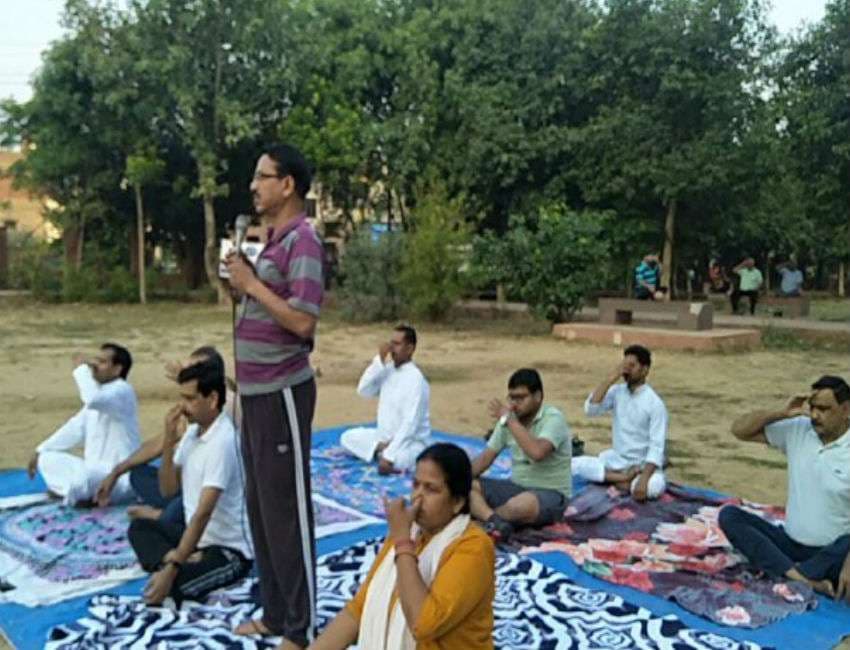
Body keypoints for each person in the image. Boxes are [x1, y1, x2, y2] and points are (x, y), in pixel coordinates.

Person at [225, 143, 324, 648]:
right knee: (262, 508)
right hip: (256, 393)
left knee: (287, 510)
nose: (253, 185)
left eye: (262, 177)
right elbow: (268, 309)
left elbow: (303, 321)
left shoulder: (303, 240)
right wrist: (240, 286)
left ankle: (301, 628)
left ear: (287, 184)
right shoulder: (272, 241)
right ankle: (274, 611)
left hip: (283, 392)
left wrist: (253, 286)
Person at [309, 443, 495, 650]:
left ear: (457, 502)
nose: (417, 496)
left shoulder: (473, 548)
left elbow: (423, 624)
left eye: (431, 489)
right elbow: (359, 609)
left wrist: (403, 544)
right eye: (416, 485)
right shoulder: (408, 531)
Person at [128, 359, 253, 606]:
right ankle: (183, 558)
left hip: (228, 550)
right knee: (139, 528)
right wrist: (168, 442)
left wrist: (173, 566)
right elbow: (168, 489)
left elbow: (203, 513)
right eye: (182, 398)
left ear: (213, 399)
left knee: (172, 587)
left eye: (190, 399)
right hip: (195, 540)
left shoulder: (223, 442)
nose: (183, 407)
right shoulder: (193, 434)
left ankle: (178, 563)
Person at [719, 376, 850, 600]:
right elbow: (740, 430)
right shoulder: (799, 430)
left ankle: (788, 573)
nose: (815, 415)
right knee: (730, 515)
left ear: (846, 409)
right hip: (789, 542)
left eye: (824, 409)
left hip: (831, 552)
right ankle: (804, 580)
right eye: (813, 408)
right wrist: (782, 413)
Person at [95, 346, 233, 529]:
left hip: (213, 492)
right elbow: (161, 446)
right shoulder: (193, 413)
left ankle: (163, 515)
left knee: (181, 513)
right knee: (138, 475)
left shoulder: (227, 405)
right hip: (185, 486)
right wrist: (117, 471)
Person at [27, 344, 140, 507]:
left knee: (84, 478)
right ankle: (78, 494)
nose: (94, 366)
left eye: (101, 362)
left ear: (117, 369)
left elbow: (93, 399)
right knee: (46, 458)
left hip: (118, 478)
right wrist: (40, 449)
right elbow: (75, 428)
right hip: (93, 471)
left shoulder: (122, 392)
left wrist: (81, 371)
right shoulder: (100, 396)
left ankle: (76, 493)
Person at [468, 369, 571, 542]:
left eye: (521, 398)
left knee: (519, 506)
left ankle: (483, 523)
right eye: (512, 398)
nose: (515, 404)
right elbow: (485, 459)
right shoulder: (510, 421)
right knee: (467, 487)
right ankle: (495, 522)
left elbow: (537, 453)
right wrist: (454, 478)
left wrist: (510, 421)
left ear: (538, 396)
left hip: (551, 494)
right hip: (516, 487)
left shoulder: (553, 419)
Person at [572, 345, 668, 501]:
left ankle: (620, 480)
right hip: (616, 461)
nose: (626, 370)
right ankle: (621, 480)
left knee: (651, 488)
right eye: (624, 365)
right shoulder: (618, 392)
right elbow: (591, 409)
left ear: (645, 370)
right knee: (573, 466)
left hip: (641, 466)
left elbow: (657, 447)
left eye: (632, 366)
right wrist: (611, 378)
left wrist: (643, 480)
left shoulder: (654, 404)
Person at [340, 325, 431, 474]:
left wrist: (390, 455)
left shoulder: (416, 380)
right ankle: (380, 451)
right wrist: (379, 361)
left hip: (409, 443)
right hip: (382, 439)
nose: (391, 348)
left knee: (400, 460)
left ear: (410, 348)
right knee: (347, 438)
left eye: (397, 344)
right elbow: (363, 390)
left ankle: (384, 455)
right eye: (391, 343)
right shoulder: (388, 370)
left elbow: (411, 424)